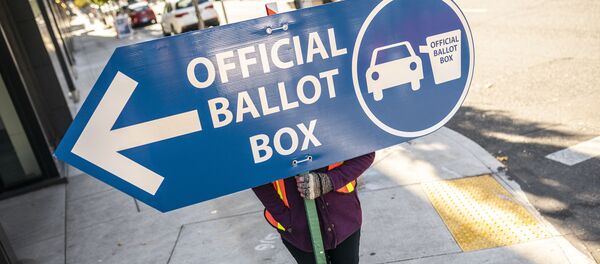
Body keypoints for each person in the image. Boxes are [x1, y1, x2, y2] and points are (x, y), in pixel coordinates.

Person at [252, 152, 375, 264]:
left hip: (344, 217)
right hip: (297, 230)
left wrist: (330, 181)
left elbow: (366, 154)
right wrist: (286, 219)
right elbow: (254, 175)